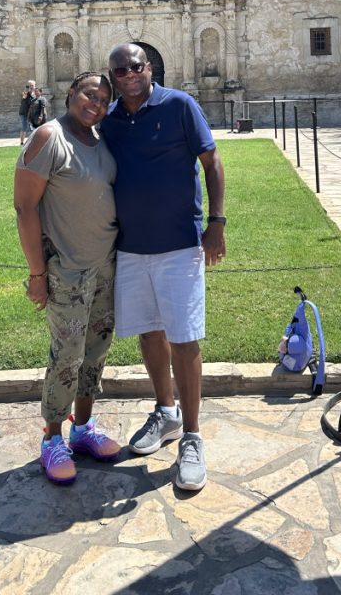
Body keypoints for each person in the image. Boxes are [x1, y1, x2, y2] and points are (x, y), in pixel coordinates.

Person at [99, 43, 226, 492]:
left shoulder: (180, 105)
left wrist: (216, 223)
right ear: (112, 74)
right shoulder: (110, 120)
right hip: (131, 247)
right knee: (149, 332)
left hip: (178, 243)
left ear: (149, 67)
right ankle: (166, 411)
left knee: (184, 337)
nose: (129, 73)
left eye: (136, 66)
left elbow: (211, 161)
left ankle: (192, 436)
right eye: (121, 68)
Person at [14, 71, 121, 486]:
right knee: (66, 357)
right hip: (67, 270)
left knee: (95, 352)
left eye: (103, 101)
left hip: (105, 265)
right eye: (89, 96)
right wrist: (38, 273)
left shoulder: (100, 139)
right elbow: (25, 209)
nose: (95, 105)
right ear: (72, 93)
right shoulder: (48, 137)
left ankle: (83, 429)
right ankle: (52, 438)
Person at [18, 79, 36, 145]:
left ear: (34, 86)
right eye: (29, 86)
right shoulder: (25, 93)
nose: (31, 87)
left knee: (33, 127)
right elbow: (24, 96)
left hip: (31, 113)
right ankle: (22, 142)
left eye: (32, 85)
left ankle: (33, 141)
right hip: (24, 113)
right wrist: (26, 90)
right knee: (24, 127)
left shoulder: (35, 94)